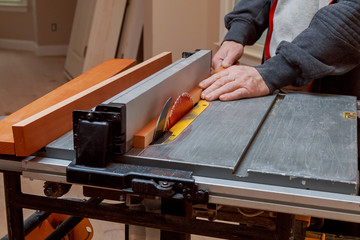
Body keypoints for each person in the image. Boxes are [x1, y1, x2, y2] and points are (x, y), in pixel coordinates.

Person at [199, 0, 360, 101]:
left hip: (331, 85)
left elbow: (352, 15)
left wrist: (275, 71)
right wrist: (238, 32)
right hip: (273, 73)